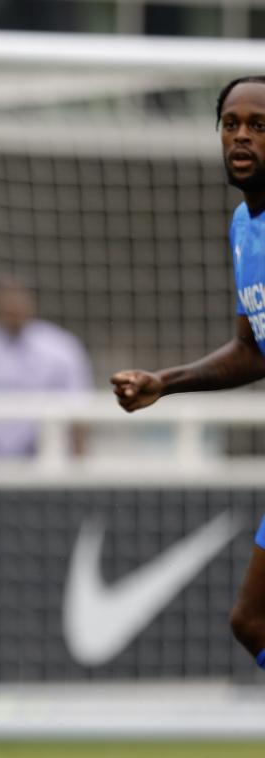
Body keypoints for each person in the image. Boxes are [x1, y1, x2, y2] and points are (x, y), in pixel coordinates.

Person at [112, 75, 265, 672]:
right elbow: (251, 349)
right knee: (251, 622)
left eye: (259, 125)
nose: (242, 136)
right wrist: (164, 383)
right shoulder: (243, 227)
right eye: (232, 124)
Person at [0, 275, 92, 457]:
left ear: (31, 302)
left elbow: (78, 409)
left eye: (17, 300)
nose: (12, 307)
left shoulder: (61, 349)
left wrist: (79, 468)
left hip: (47, 459)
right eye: (5, 302)